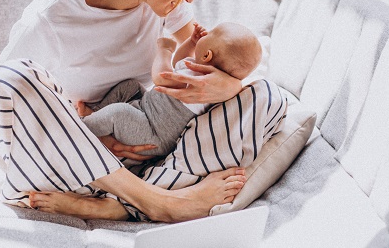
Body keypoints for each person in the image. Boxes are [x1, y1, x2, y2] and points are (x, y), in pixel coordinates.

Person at [0, 0, 258, 223]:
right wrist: (87, 136)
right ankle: (159, 201)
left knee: (264, 92)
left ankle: (119, 202)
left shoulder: (167, 0)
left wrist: (228, 85)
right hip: (65, 151)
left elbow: (208, 60)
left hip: (139, 143)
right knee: (14, 76)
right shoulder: (52, 18)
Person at [77, 21, 264, 161]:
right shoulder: (198, 70)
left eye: (212, 32)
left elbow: (162, 77)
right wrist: (191, 43)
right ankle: (98, 113)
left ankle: (82, 128)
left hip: (152, 132)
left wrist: (164, 50)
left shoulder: (201, 82)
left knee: (118, 112)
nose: (208, 31)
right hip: (147, 109)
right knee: (130, 86)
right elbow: (178, 64)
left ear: (207, 55)